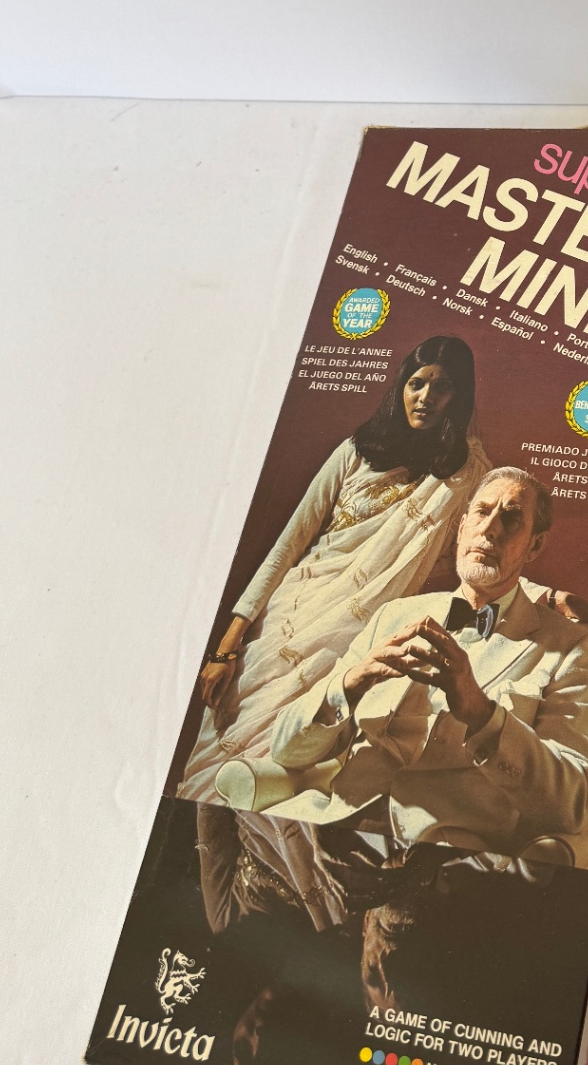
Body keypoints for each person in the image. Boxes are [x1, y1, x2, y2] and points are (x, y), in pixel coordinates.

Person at [178, 337, 489, 803]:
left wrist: (542, 597)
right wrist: (225, 649)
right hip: (285, 624)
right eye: (417, 384)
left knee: (284, 775)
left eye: (441, 388)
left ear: (458, 397)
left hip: (352, 644)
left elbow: (479, 560)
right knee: (214, 770)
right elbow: (287, 547)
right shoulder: (357, 451)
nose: (425, 397)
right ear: (402, 387)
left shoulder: (467, 476)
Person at [256, 467, 588, 876]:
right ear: (461, 528)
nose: (490, 529)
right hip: (333, 825)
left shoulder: (567, 647)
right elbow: (286, 750)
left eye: (511, 519)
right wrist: (349, 685)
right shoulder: (393, 616)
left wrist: (482, 714)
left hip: (437, 859)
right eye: (482, 512)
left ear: (535, 545)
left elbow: (574, 803)